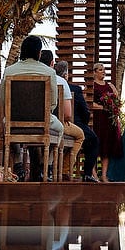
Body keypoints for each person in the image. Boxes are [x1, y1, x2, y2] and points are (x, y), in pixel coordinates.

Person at [0, 35, 62, 182]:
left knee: (6, 124)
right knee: (60, 129)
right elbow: (53, 102)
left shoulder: (9, 71)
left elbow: (3, 99)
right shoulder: (49, 72)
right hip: (43, 120)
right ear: (39, 53)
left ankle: (18, 165)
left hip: (13, 120)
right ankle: (47, 166)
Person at [41, 49, 85, 181]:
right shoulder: (59, 80)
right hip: (52, 123)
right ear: (52, 63)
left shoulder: (18, 75)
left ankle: (36, 167)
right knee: (80, 135)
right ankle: (63, 170)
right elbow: (67, 114)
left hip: (18, 123)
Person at [57, 59, 100, 182]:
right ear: (66, 75)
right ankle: (86, 174)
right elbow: (84, 111)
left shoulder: (49, 83)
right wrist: (83, 123)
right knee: (93, 140)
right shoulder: (74, 89)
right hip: (73, 123)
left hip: (52, 123)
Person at [90, 63, 124, 181]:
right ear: (94, 72)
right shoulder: (91, 86)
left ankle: (104, 175)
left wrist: (113, 106)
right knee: (96, 146)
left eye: (104, 70)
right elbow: (89, 103)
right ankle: (93, 174)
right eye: (100, 70)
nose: (103, 72)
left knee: (107, 147)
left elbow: (117, 100)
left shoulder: (110, 86)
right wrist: (102, 107)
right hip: (97, 120)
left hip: (109, 120)